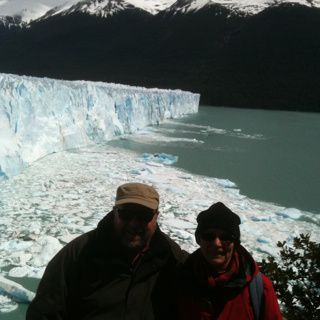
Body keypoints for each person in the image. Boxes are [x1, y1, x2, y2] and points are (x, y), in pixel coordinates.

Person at [27, 182, 187, 320]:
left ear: (156, 216)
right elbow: (45, 312)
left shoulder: (169, 255)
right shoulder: (79, 254)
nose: (134, 223)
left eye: (144, 215)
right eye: (126, 213)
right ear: (115, 212)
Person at [178, 202, 282, 320]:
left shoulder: (259, 288)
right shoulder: (182, 279)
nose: (217, 243)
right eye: (209, 236)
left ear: (235, 243)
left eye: (225, 237)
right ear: (199, 239)